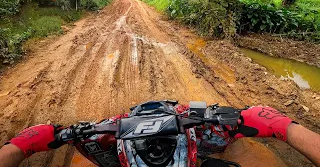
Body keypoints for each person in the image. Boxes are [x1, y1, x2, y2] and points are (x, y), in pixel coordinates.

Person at [0, 106, 319, 167]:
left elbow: (38, 136)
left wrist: (28, 143)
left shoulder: (100, 142)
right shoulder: (211, 133)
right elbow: (266, 117)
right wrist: (283, 126)